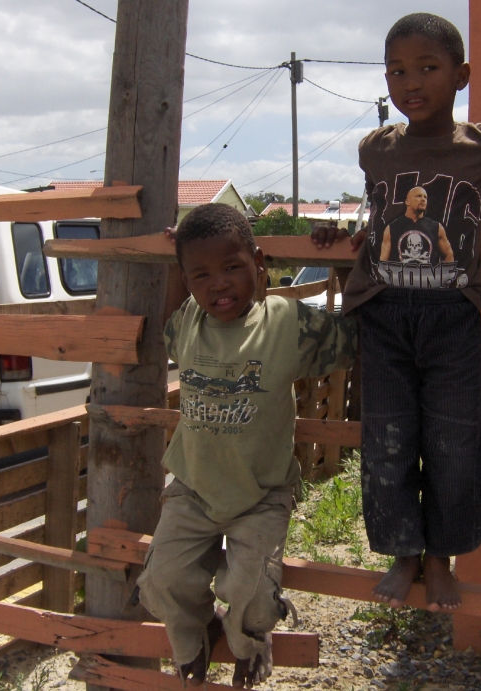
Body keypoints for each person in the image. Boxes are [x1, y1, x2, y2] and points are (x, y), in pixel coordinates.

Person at [312, 13, 481, 611]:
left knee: (454, 440)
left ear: (461, 75)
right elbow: (378, 206)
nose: (409, 82)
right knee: (388, 438)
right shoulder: (377, 149)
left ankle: (443, 556)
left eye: (427, 68)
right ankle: (404, 555)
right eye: (396, 70)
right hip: (384, 315)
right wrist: (357, 230)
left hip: (452, 317)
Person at [137, 204, 357, 688]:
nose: (218, 284)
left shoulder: (285, 323)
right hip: (192, 488)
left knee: (253, 591)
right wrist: (176, 255)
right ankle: (197, 635)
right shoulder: (188, 323)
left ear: (259, 263)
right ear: (188, 281)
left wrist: (344, 258)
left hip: (261, 493)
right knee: (161, 581)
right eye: (202, 275)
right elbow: (172, 307)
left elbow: (350, 337)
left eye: (233, 267)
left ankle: (249, 644)